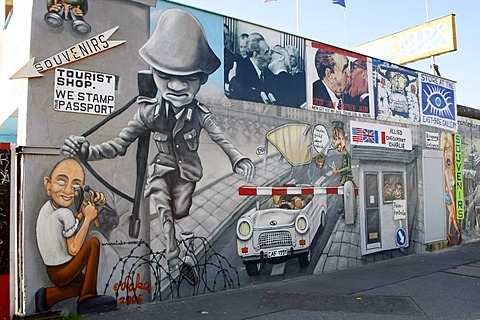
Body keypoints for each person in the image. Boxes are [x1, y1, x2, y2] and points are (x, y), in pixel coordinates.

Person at [61, 9, 255, 273]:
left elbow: (220, 137)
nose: (175, 86)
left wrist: (238, 158)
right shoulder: (148, 112)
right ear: (153, 73)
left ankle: (183, 247)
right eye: (165, 76)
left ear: (202, 79)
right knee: (164, 213)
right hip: (161, 171)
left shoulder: (198, 114)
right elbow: (119, 145)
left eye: (186, 78)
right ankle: (173, 257)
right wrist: (87, 152)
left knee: (181, 216)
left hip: (187, 176)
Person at [35, 158, 116, 314]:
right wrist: (88, 219)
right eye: (61, 181)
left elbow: (68, 228)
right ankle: (87, 298)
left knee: (83, 282)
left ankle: (47, 297)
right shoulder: (65, 213)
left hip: (52, 270)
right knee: (93, 243)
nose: (68, 190)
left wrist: (83, 212)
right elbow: (73, 249)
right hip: (63, 270)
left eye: (76, 184)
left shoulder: (48, 209)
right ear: (48, 185)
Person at [228, 32, 275, 104]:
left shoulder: (267, 73)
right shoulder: (241, 69)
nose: (270, 56)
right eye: (266, 52)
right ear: (255, 55)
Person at [442, 133, 461, 245]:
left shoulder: (452, 169)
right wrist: (454, 203)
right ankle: (456, 232)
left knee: (452, 216)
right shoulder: (446, 171)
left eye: (449, 149)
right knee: (452, 214)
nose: (448, 153)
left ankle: (451, 234)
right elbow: (449, 189)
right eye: (445, 150)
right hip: (449, 196)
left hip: (451, 195)